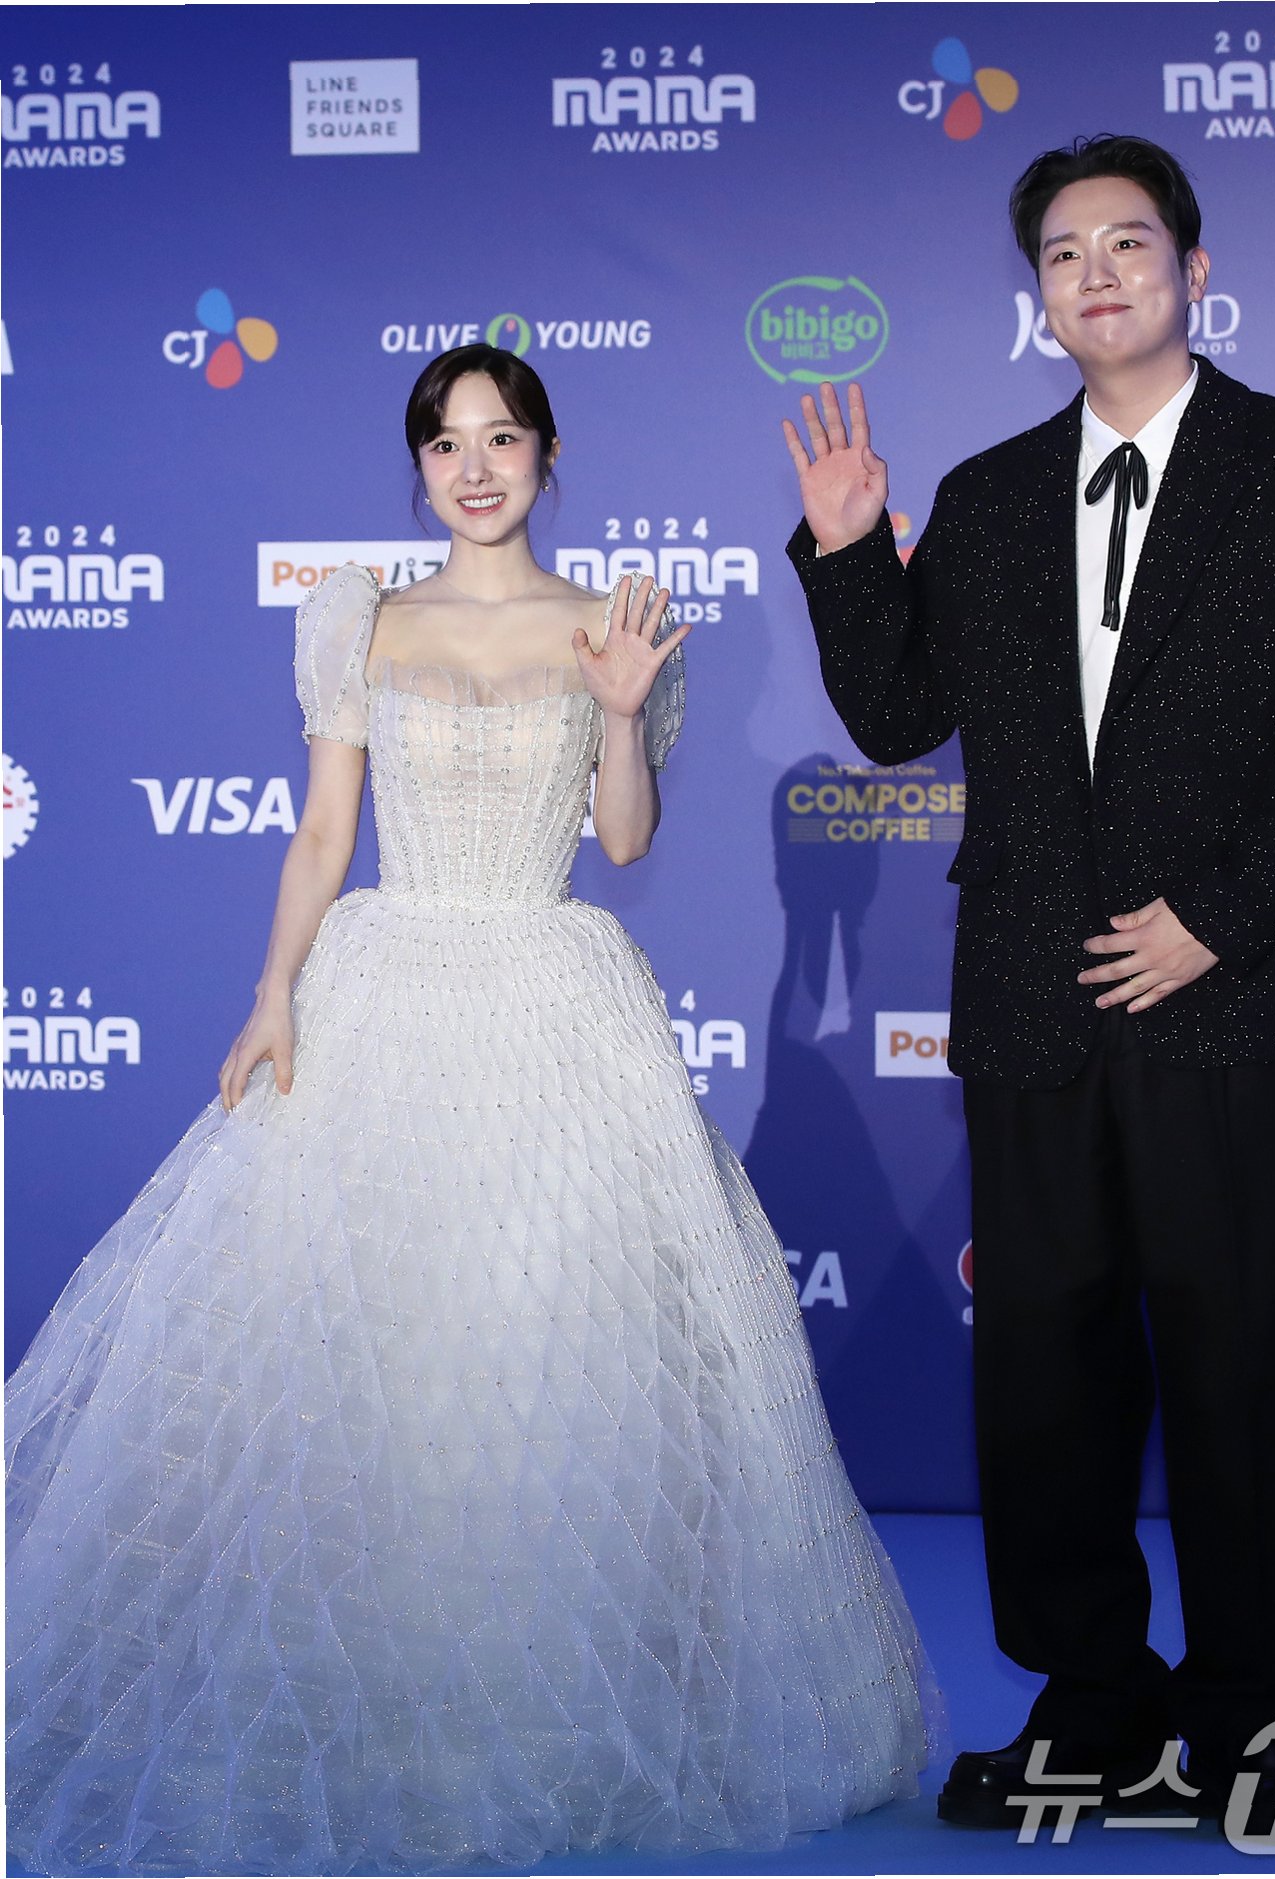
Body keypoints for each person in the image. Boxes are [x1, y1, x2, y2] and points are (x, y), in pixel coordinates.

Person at [7, 344, 934, 1876]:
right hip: (383, 1000)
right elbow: (324, 833)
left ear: (548, 454)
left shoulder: (613, 622)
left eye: (502, 438)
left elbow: (622, 844)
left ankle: (539, 1712)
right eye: (446, 444)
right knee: (391, 1358)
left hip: (553, 1006)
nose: (476, 467)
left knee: (540, 1355)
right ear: (420, 469)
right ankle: (386, 1701)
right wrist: (272, 992)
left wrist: (621, 713)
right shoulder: (357, 619)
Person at [783, 136, 1275, 1837]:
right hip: (1036, 992)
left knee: (1236, 1365)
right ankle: (1089, 1702)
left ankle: (1246, 1709)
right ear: (1039, 297)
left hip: (1235, 989)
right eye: (1064, 254)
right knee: (1045, 1372)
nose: (1097, 274)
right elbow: (897, 720)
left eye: (1128, 243)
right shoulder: (986, 495)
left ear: (1194, 268)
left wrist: (1217, 917)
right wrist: (847, 554)